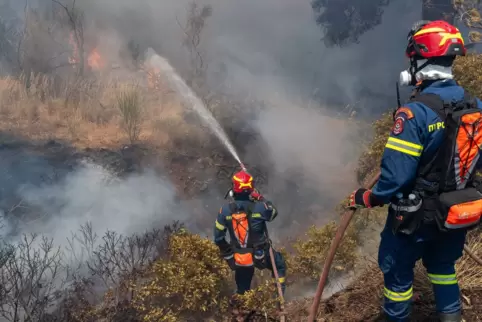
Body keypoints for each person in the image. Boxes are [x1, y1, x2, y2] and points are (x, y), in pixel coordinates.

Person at [348, 20, 482, 322]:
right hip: (455, 213)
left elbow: (396, 178)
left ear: (421, 58)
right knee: (444, 268)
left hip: (414, 219)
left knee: (397, 276)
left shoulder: (414, 114)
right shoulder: (476, 106)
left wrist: (368, 197)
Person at [213, 169, 287, 298]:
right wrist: (260, 197)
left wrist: (230, 257)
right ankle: (278, 300)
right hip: (262, 255)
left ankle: (243, 308)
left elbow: (218, 239)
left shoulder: (224, 211)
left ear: (233, 190)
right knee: (279, 265)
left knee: (242, 288)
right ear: (251, 189)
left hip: (240, 258)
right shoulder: (260, 207)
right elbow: (273, 212)